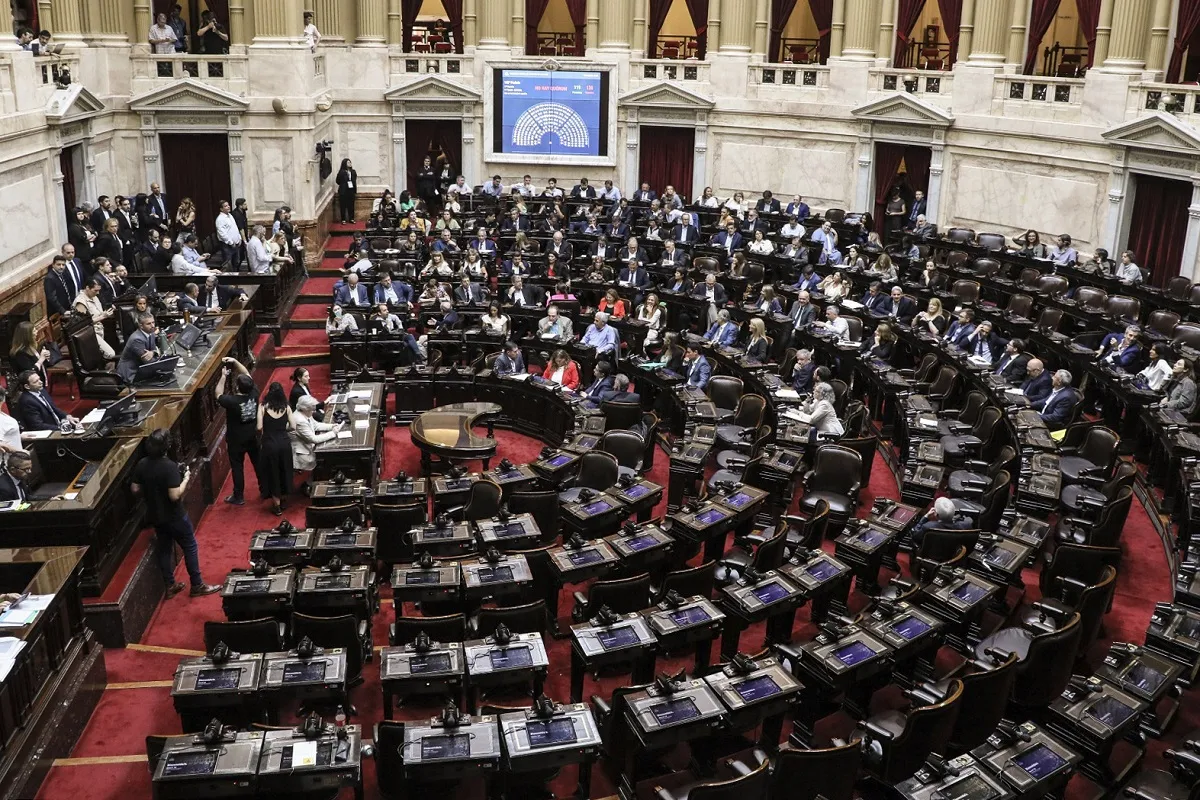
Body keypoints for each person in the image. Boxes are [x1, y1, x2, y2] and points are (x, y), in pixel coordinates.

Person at [131, 430, 220, 598]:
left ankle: (170, 585)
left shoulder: (142, 464)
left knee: (164, 548)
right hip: (175, 516)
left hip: (156, 515)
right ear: (166, 447)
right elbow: (174, 495)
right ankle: (197, 584)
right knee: (190, 546)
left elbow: (135, 488)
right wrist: (185, 478)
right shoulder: (169, 467)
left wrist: (150, 491)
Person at [290, 395, 342, 494]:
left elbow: (316, 425)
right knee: (324, 460)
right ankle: (308, 484)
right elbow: (314, 439)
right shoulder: (299, 420)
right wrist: (333, 433)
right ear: (305, 408)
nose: (314, 411)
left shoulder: (305, 414)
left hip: (307, 446)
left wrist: (332, 426)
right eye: (312, 409)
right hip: (302, 452)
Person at [257, 382, 294, 516]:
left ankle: (276, 505)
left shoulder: (263, 407)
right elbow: (293, 426)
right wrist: (282, 429)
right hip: (284, 443)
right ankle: (284, 499)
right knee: (284, 470)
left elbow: (259, 427)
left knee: (272, 473)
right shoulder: (286, 407)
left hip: (269, 444)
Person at [72, 279, 117, 359]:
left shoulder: (94, 297)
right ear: (87, 288)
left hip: (99, 329)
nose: (98, 293)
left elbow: (99, 313)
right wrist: (103, 316)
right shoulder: (80, 302)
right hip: (89, 334)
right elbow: (83, 325)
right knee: (110, 354)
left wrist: (108, 312)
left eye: (99, 290)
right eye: (95, 290)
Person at [118, 312, 162, 384]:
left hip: (142, 368)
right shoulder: (137, 339)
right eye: (148, 324)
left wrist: (153, 352)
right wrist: (164, 365)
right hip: (131, 373)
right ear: (141, 326)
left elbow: (154, 351)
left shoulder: (151, 333)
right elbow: (147, 361)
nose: (153, 326)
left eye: (153, 322)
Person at [336, 158, 357, 224]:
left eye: (350, 162)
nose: (350, 163)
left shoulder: (353, 171)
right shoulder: (341, 172)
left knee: (351, 205)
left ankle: (351, 218)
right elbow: (337, 181)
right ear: (345, 164)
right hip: (344, 191)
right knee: (343, 205)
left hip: (351, 190)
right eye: (348, 162)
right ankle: (343, 219)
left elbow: (354, 179)